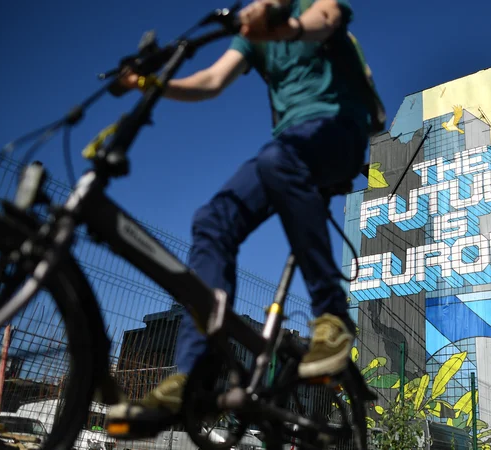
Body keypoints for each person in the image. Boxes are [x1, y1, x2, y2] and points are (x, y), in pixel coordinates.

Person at [106, 0, 369, 431]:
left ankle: (333, 317)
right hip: (288, 150)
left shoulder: (311, 8)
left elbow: (322, 22)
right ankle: (195, 373)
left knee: (275, 161)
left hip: (340, 132)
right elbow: (210, 81)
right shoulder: (251, 38)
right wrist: (150, 82)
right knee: (212, 220)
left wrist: (276, 27)